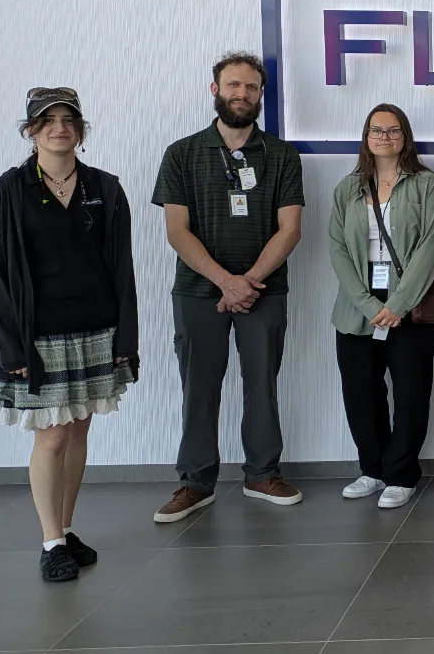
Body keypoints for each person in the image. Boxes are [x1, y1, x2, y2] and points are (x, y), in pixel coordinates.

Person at [0, 88, 139, 582]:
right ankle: (50, 541)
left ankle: (66, 529)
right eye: (47, 120)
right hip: (39, 335)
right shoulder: (7, 192)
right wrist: (12, 347)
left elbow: (122, 269)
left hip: (97, 330)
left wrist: (125, 340)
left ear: (81, 129)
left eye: (68, 119)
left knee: (78, 431)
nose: (59, 127)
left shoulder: (106, 188)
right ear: (31, 132)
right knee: (51, 438)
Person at [151, 52, 305, 522]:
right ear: (214, 90)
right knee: (199, 387)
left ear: (261, 96)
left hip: (264, 292)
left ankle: (262, 473)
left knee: (262, 384)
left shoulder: (281, 155)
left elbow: (290, 229)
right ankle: (196, 482)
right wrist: (225, 282)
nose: (243, 94)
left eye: (252, 88)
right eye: (234, 85)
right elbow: (177, 230)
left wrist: (248, 283)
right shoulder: (181, 154)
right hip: (199, 293)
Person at [329, 105, 434, 509]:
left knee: (412, 394)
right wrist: (365, 303)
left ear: (405, 135)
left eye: (393, 130)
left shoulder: (426, 184)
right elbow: (337, 247)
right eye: (376, 130)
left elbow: (431, 246)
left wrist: (397, 303)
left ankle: (401, 473)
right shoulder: (348, 187)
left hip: (409, 308)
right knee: (361, 393)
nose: (384, 137)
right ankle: (372, 469)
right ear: (366, 136)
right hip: (356, 308)